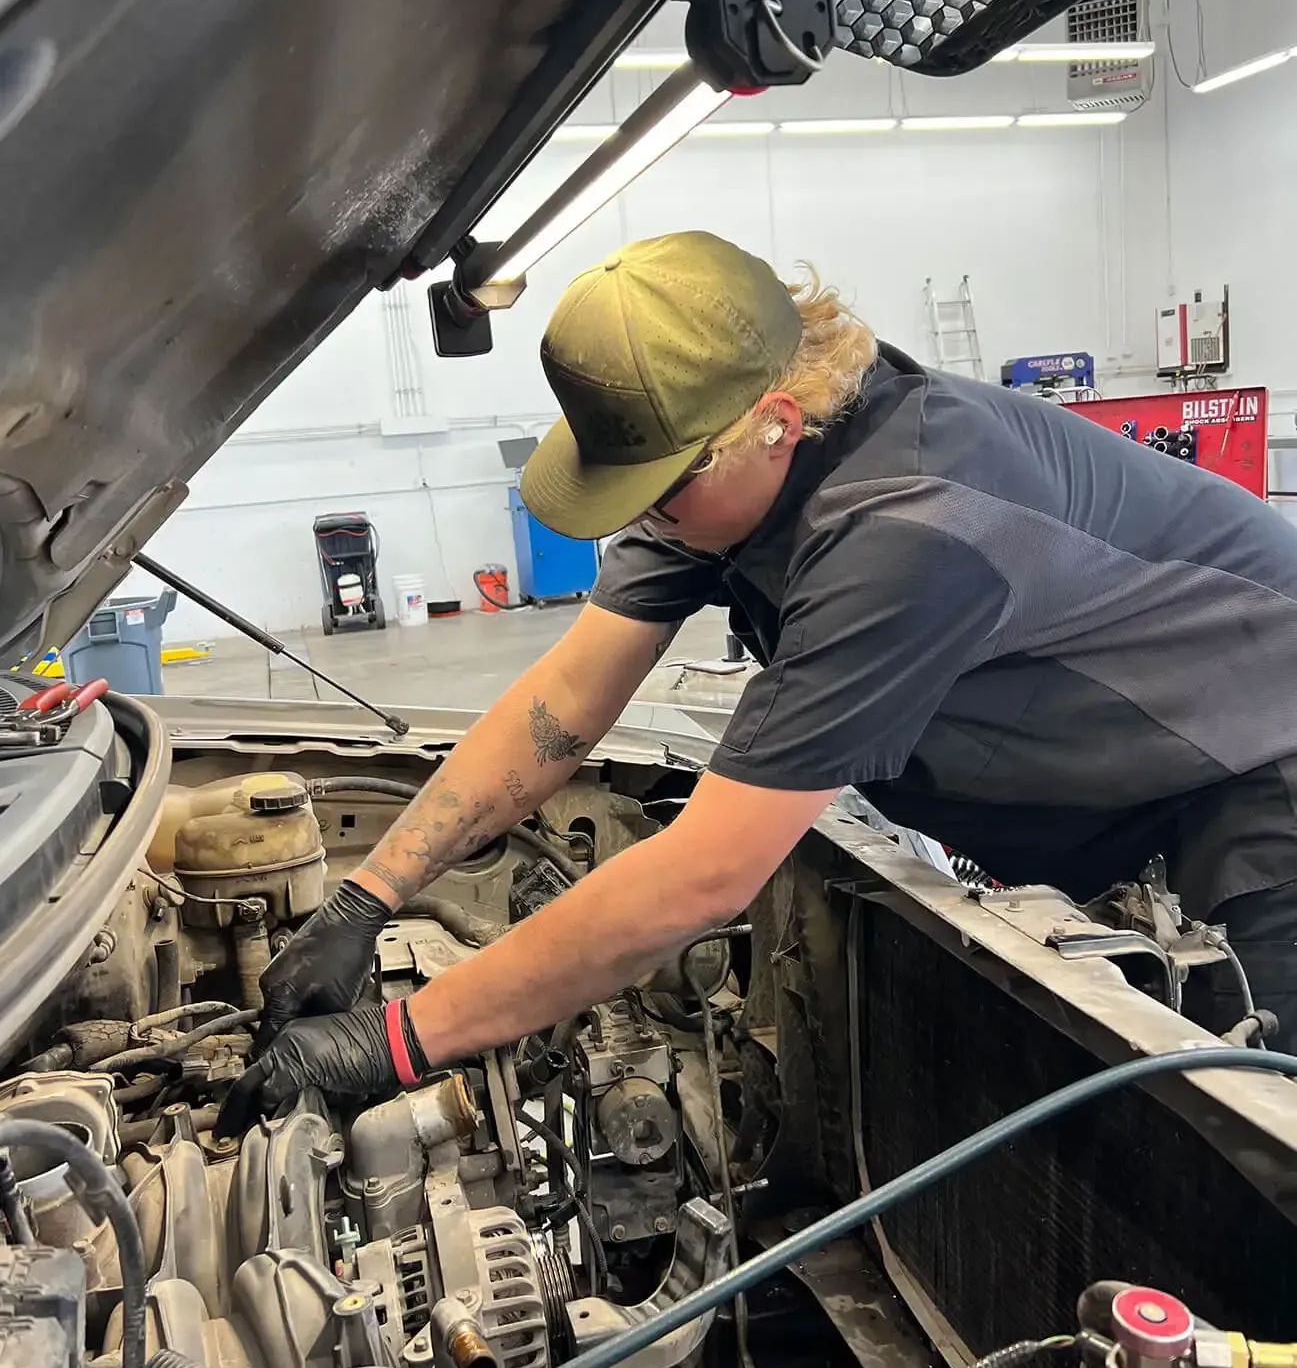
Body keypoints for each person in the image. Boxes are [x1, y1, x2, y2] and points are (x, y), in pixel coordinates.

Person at [216, 229, 1297, 1135]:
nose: (645, 515)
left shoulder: (909, 526)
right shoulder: (715, 472)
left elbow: (703, 876)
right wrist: (368, 896)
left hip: (1257, 779)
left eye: (660, 486)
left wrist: (398, 1039)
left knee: (1230, 1128)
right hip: (1106, 790)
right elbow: (564, 703)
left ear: (777, 420)